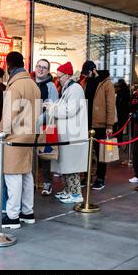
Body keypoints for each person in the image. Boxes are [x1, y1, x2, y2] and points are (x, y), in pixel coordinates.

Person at [0, 51, 40, 229]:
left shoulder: (15, 86)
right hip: (29, 134)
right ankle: (28, 212)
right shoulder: (33, 85)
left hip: (15, 136)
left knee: (12, 175)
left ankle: (12, 216)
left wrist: (0, 132)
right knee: (26, 173)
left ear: (9, 65)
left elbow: (9, 114)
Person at [46, 62, 88, 203]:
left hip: (73, 135)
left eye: (60, 77)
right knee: (64, 165)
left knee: (71, 166)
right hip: (67, 134)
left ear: (68, 76)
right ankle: (68, 190)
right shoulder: (68, 88)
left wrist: (52, 108)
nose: (59, 79)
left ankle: (76, 194)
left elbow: (70, 110)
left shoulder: (75, 89)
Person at [80, 61, 116, 190]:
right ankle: (87, 176)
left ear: (94, 70)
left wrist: (109, 125)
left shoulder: (106, 83)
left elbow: (111, 105)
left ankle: (100, 178)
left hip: (100, 124)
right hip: (86, 122)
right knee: (87, 152)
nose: (86, 75)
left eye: (88, 73)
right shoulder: (85, 82)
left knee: (102, 153)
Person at [33, 59, 59, 196]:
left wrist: (39, 119)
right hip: (30, 125)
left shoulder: (51, 86)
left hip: (46, 125)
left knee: (45, 155)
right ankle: (31, 181)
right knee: (30, 154)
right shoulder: (30, 83)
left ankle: (47, 183)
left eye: (44, 67)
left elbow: (53, 108)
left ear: (48, 71)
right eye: (38, 66)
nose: (40, 69)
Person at [114, 79, 130, 144]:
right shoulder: (127, 91)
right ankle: (119, 141)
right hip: (124, 112)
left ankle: (118, 141)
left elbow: (118, 103)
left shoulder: (120, 92)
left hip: (120, 112)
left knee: (118, 127)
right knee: (121, 127)